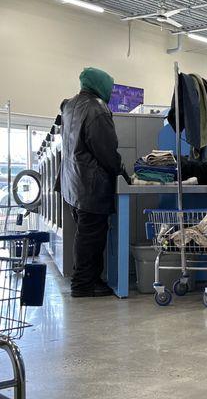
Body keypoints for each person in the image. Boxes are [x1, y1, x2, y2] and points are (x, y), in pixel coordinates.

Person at [60, 67, 123, 297]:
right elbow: (107, 150)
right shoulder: (97, 109)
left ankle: (88, 279)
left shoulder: (69, 106)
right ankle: (83, 284)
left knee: (85, 235)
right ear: (101, 85)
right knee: (91, 237)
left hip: (72, 183)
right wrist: (122, 172)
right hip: (90, 186)